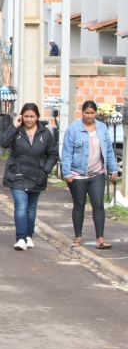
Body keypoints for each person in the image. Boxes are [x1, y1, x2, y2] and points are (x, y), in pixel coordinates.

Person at [0, 103, 59, 251]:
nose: (28, 119)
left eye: (32, 116)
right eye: (26, 116)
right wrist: (14, 126)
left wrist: (45, 170)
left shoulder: (45, 134)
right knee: (21, 206)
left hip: (36, 175)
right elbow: (3, 143)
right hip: (17, 174)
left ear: (37, 117)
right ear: (21, 116)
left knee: (31, 208)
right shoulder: (17, 131)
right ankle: (20, 238)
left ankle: (28, 236)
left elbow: (53, 155)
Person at [62, 101, 119, 250]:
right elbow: (67, 152)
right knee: (79, 205)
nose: (89, 116)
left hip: (97, 173)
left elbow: (108, 151)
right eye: (86, 113)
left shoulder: (102, 128)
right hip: (77, 174)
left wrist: (113, 170)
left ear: (96, 113)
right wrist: (66, 172)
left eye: (92, 113)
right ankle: (78, 237)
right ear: (82, 113)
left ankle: (100, 238)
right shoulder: (73, 129)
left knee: (98, 204)